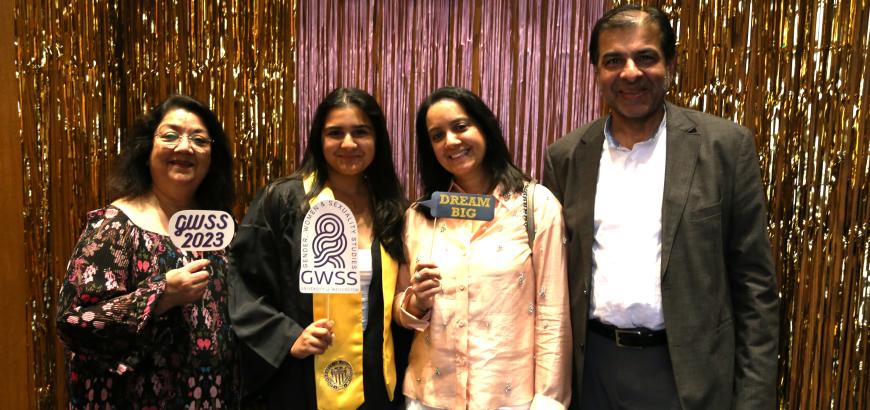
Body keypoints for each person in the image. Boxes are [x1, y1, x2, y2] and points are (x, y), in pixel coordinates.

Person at [542, 5, 780, 410]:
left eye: (646, 57)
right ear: (596, 71)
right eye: (613, 60)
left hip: (689, 373)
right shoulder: (566, 157)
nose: (630, 72)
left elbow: (754, 286)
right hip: (593, 373)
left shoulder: (724, 146)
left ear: (670, 62)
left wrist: (754, 398)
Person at [228, 87, 411, 409]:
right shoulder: (284, 201)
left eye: (361, 132)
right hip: (304, 373)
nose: (349, 144)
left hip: (376, 371)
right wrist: (286, 337)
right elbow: (242, 279)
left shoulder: (391, 208)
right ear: (318, 139)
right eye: (335, 133)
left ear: (377, 140)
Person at [56, 95, 239, 408]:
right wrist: (161, 296)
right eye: (170, 136)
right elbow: (75, 322)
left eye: (199, 139)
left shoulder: (221, 228)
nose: (184, 147)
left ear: (212, 155)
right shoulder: (115, 224)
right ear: (147, 148)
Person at [394, 86, 571, 409]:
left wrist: (548, 400)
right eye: (436, 135)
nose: (450, 141)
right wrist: (416, 302)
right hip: (430, 397)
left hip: (510, 399)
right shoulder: (420, 216)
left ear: (484, 127)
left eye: (460, 127)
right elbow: (401, 308)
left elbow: (553, 314)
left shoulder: (535, 206)